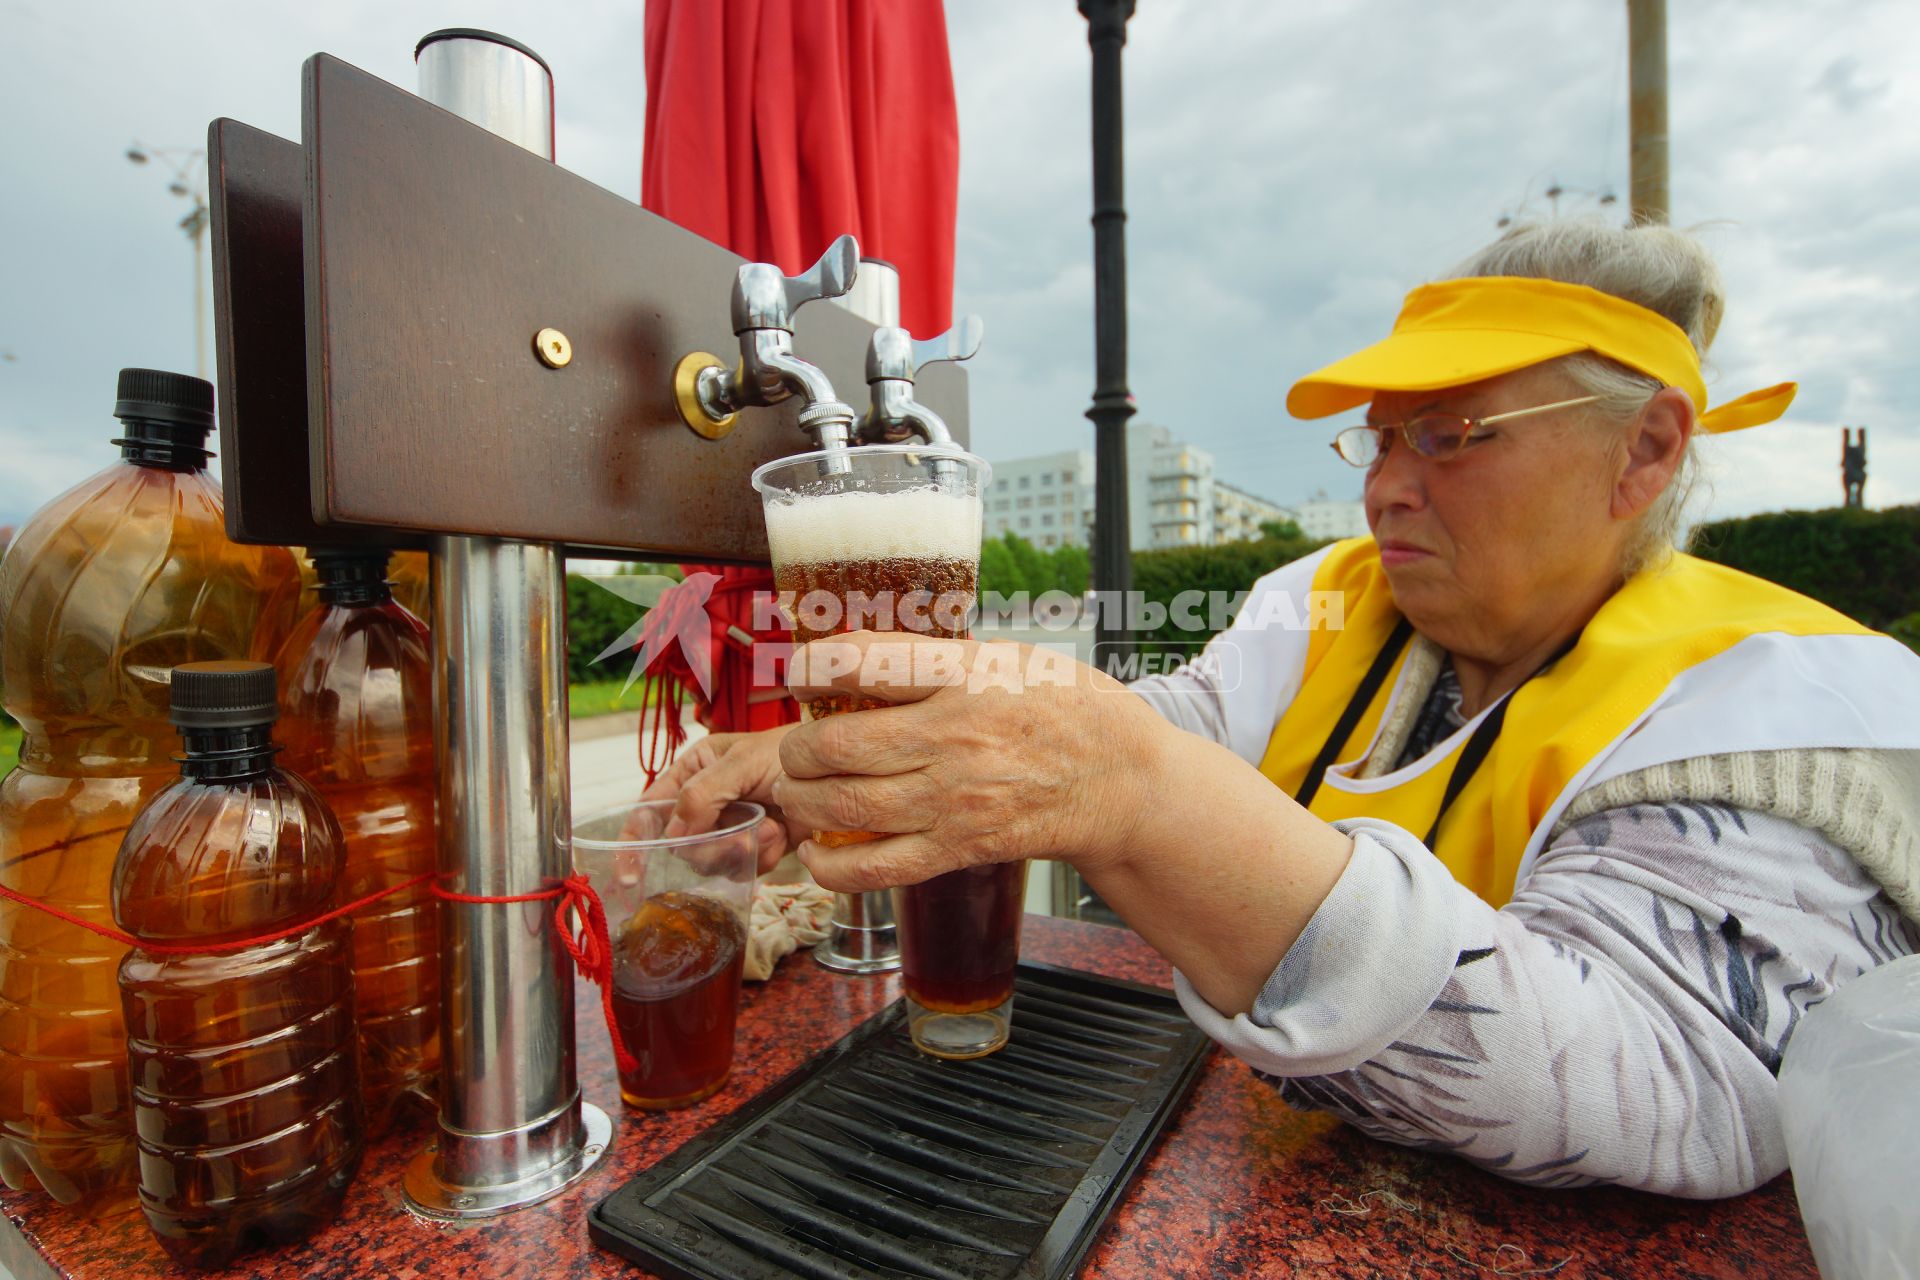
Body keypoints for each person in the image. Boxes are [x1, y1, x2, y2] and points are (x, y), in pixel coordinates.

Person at [644, 220, 1920, 1199]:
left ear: (1644, 450)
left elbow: (1659, 1084)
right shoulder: (1332, 604)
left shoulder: (1776, 695)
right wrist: (860, 759)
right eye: (1378, 441)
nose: (1387, 493)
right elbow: (1172, 716)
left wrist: (1131, 793)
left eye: (1451, 434)